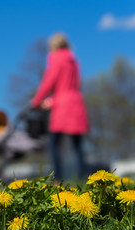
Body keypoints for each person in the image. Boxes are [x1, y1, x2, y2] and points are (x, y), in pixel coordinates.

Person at [31, 33, 89, 180]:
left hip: (62, 104)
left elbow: (48, 82)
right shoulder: (74, 61)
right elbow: (77, 83)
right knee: (77, 145)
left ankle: (58, 179)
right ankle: (84, 179)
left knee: (54, 144)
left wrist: (37, 101)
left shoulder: (56, 58)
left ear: (53, 46)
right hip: (76, 102)